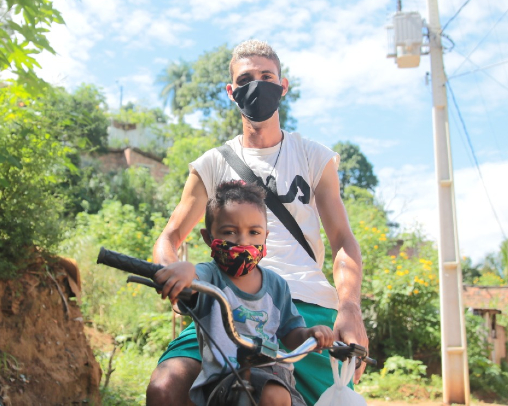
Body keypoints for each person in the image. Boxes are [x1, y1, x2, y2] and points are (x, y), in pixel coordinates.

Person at [147, 40, 368, 406]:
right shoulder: (212, 164)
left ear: (282, 86)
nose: (257, 84)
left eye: (266, 76)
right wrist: (174, 275)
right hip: (223, 299)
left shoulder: (314, 157)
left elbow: (343, 238)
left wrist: (350, 309)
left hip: (303, 302)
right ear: (232, 92)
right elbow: (170, 235)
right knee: (165, 388)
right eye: (246, 78)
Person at [155, 180, 335, 406]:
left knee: (275, 395)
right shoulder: (209, 276)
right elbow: (191, 284)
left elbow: (291, 333)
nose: (243, 241)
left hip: (277, 376)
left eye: (254, 232)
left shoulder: (276, 285)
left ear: (265, 237)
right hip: (224, 379)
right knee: (268, 395)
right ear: (209, 238)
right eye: (229, 232)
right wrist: (184, 270)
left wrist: (311, 334)